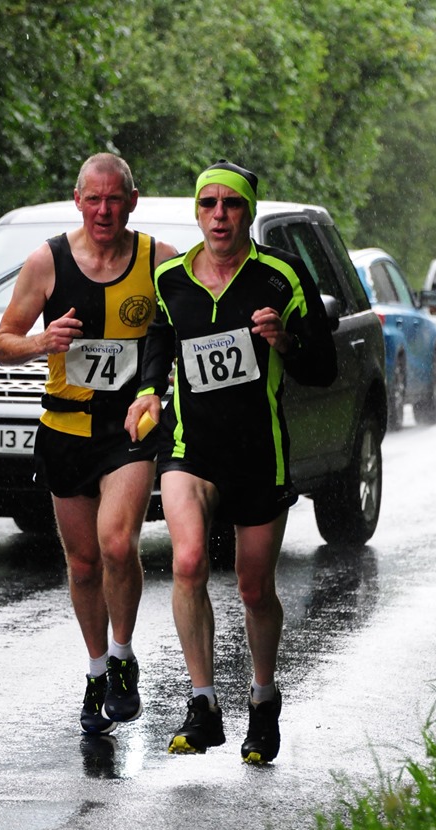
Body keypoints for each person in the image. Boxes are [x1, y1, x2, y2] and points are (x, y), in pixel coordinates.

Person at [125, 160, 337, 762]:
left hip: (258, 453)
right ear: (197, 212)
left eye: (232, 204)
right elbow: (158, 341)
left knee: (253, 586)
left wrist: (285, 341)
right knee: (188, 562)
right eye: (208, 203)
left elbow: (323, 368)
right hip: (190, 449)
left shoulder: (281, 277)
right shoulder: (170, 279)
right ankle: (203, 705)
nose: (219, 214)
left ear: (249, 212)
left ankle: (263, 701)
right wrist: (148, 391)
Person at [0, 153, 177, 737]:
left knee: (118, 544)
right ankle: (97, 670)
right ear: (77, 200)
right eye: (93, 199)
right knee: (82, 563)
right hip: (65, 430)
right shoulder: (46, 261)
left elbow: (198, 319)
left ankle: (122, 657)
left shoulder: (158, 260)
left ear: (132, 201)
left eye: (114, 199)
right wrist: (41, 341)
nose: (103, 210)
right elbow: (2, 343)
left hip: (129, 430)